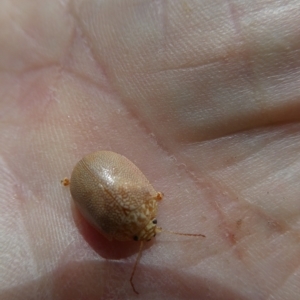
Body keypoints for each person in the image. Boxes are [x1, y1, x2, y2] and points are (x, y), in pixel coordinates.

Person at [1, 1, 299, 299]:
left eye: (145, 230)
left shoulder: (134, 214)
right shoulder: (123, 225)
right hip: (92, 174)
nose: (150, 232)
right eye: (152, 225)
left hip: (92, 174)